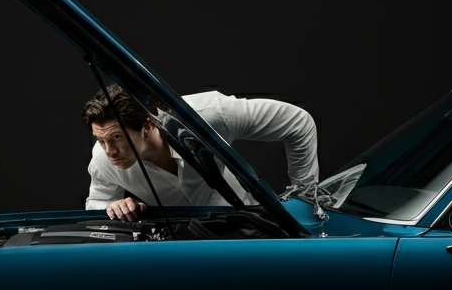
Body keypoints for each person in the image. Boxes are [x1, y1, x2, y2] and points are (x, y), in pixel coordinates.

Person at [83, 84, 319, 221]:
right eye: (100, 139)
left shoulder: (208, 116)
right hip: (184, 249)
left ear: (147, 126)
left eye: (116, 137)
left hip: (252, 230)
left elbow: (298, 122)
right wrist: (112, 207)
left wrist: (306, 197)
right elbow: (98, 201)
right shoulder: (103, 160)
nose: (109, 151)